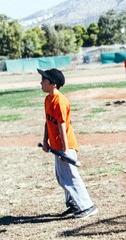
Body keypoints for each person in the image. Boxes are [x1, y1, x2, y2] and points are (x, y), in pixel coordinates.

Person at [38, 68, 98, 219]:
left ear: (53, 84)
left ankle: (87, 206)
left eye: (44, 79)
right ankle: (74, 204)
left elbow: (61, 126)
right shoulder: (48, 100)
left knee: (70, 177)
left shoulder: (60, 101)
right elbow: (48, 122)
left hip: (66, 145)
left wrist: (65, 150)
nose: (41, 82)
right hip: (57, 145)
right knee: (61, 177)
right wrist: (45, 140)